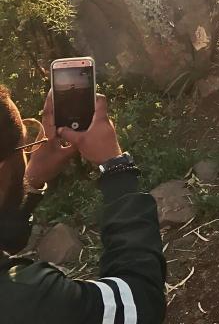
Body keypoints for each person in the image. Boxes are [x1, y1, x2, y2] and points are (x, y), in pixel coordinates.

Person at [0, 88, 166, 323]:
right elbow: (139, 301)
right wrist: (116, 167)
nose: (29, 153)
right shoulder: (29, 298)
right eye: (25, 147)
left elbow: (6, 239)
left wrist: (30, 179)